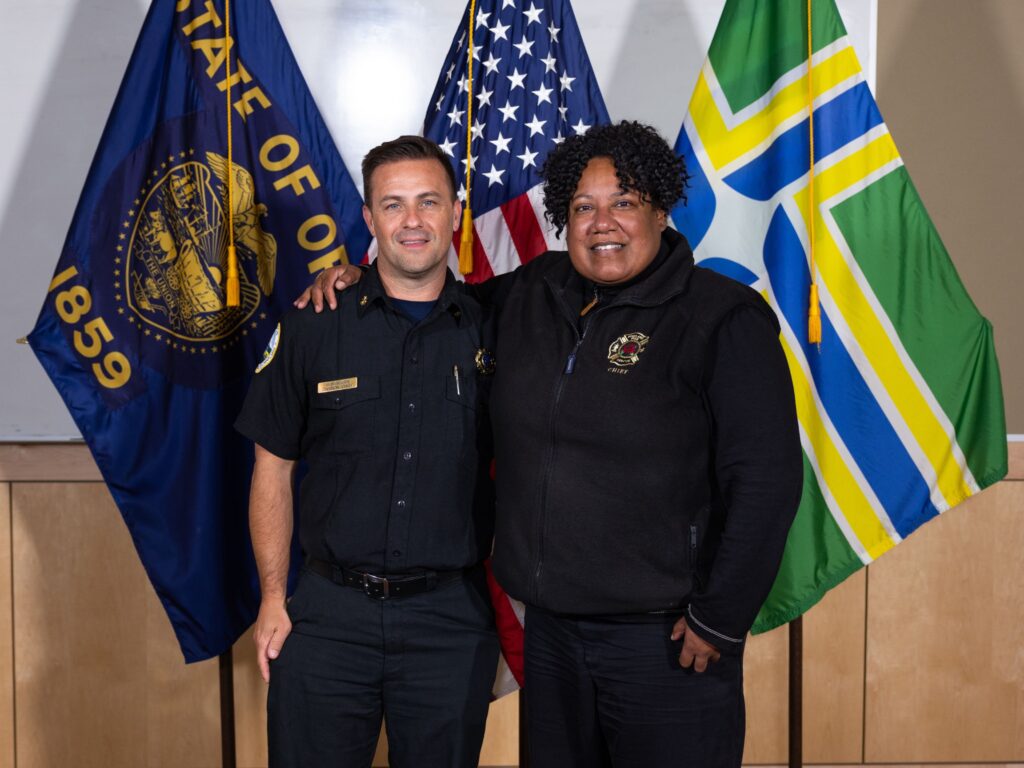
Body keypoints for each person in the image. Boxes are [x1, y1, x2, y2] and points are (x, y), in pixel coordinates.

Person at [299, 121, 803, 767]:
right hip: (553, 633)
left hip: (667, 637)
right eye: (582, 207)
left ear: (659, 209)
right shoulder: (533, 291)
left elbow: (765, 480)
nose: (603, 223)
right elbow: (436, 303)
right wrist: (355, 279)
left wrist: (721, 617)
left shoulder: (721, 317)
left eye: (623, 202)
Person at [236, 135, 499, 768]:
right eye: (394, 204)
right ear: (370, 218)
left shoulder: (498, 326)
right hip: (328, 617)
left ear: (456, 213)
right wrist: (274, 598)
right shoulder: (314, 323)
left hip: (450, 620)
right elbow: (272, 469)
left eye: (429, 202)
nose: (412, 221)